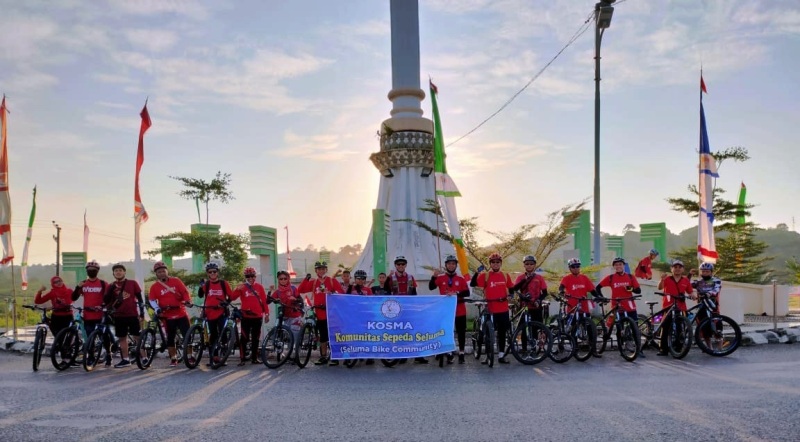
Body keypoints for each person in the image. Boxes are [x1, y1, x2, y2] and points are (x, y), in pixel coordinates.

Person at [470, 252, 514, 364]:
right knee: (488, 334)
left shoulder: (505, 275)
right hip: (490, 308)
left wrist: (511, 295)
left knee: (502, 333)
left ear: (500, 263)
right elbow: (472, 284)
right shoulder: (486, 275)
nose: (495, 264)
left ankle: (501, 355)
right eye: (493, 262)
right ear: (490, 264)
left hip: (503, 308)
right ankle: (487, 356)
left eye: (497, 262)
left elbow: (511, 288)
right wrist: (476, 273)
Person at [298, 261, 343, 366]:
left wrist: (332, 293)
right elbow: (301, 290)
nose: (321, 271)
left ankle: (334, 357)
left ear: (326, 270)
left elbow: (341, 293)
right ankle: (323, 356)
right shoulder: (314, 282)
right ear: (316, 271)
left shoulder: (332, 281)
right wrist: (306, 279)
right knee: (323, 335)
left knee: (332, 335)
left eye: (323, 269)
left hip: (331, 312)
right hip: (319, 313)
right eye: (319, 269)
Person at [148, 261, 192, 367]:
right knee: (170, 337)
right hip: (167, 315)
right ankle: (173, 358)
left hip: (181, 313)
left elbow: (185, 292)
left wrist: (187, 301)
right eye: (159, 272)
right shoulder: (155, 286)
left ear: (167, 271)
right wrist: (157, 308)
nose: (162, 273)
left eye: (163, 271)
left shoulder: (176, 281)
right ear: (156, 274)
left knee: (187, 335)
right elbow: (152, 299)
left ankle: (190, 356)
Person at [596, 257, 642, 356]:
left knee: (635, 328)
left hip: (630, 305)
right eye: (616, 265)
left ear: (623, 265)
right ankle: (621, 348)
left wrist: (630, 288)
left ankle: (638, 349)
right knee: (619, 326)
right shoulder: (611, 278)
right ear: (614, 267)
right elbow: (598, 287)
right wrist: (602, 297)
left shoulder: (630, 277)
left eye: (620, 264)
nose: (618, 266)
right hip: (617, 305)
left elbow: (638, 290)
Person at [384, 256, 426, 364]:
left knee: (412, 331)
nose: (401, 266)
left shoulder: (410, 277)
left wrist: (416, 307)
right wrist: (387, 278)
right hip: (395, 309)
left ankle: (417, 354)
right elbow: (385, 291)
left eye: (403, 264)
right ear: (395, 265)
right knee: (398, 332)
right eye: (398, 264)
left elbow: (414, 292)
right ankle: (401, 354)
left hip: (409, 308)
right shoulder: (391, 278)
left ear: (406, 265)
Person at [429, 255, 470, 364]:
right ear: (446, 265)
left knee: (461, 332)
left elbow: (467, 293)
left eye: (453, 264)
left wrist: (457, 293)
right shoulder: (441, 277)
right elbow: (431, 287)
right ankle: (448, 351)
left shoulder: (460, 279)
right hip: (445, 311)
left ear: (456, 265)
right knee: (447, 331)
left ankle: (461, 352)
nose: (451, 266)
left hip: (460, 310)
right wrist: (434, 276)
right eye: (449, 264)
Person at [103, 263, 145, 368]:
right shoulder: (111, 285)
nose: (118, 272)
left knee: (137, 336)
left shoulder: (132, 283)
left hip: (132, 314)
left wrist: (142, 313)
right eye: (116, 271)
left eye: (120, 270)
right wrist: (111, 289)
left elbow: (140, 299)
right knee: (122, 338)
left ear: (124, 272)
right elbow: (106, 300)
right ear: (113, 273)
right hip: (118, 315)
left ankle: (144, 358)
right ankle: (126, 360)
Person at [557, 258, 601, 357]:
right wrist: (561, 292)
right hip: (572, 307)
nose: (576, 268)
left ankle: (593, 349)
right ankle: (574, 348)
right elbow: (561, 287)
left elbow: (592, 290)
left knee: (590, 328)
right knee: (573, 329)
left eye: (578, 266)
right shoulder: (566, 278)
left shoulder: (584, 278)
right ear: (570, 268)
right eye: (573, 266)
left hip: (584, 306)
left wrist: (598, 296)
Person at [656, 259, 695, 356]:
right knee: (665, 327)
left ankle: (678, 348)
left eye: (679, 267)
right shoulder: (667, 279)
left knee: (680, 328)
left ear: (683, 269)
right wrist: (662, 279)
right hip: (668, 306)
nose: (677, 269)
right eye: (675, 267)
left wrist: (693, 295)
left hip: (681, 307)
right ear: (671, 269)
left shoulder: (685, 280)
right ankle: (663, 349)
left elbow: (690, 291)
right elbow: (659, 287)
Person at [231, 267, 269, 366]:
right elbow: (232, 297)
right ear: (245, 277)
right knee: (244, 338)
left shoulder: (259, 287)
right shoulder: (242, 287)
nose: (250, 278)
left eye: (252, 276)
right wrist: (236, 289)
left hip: (257, 316)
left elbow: (264, 301)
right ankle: (242, 359)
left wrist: (267, 314)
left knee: (256, 338)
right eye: (248, 276)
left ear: (255, 276)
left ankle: (254, 358)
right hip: (246, 317)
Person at [197, 262, 233, 366]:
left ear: (217, 272)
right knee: (213, 335)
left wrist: (225, 303)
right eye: (210, 272)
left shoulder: (223, 283)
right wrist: (201, 286)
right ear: (207, 273)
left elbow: (230, 297)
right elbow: (200, 295)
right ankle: (214, 357)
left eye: (214, 271)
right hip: (209, 312)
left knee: (222, 333)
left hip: (221, 312)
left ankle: (223, 355)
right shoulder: (207, 284)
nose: (212, 273)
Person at [270, 270, 304, 362]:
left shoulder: (293, 288)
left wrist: (295, 299)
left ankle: (295, 355)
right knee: (279, 334)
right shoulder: (278, 291)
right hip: (284, 315)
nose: (283, 280)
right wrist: (270, 292)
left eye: (285, 278)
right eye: (281, 279)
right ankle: (283, 353)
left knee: (294, 336)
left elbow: (301, 301)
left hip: (295, 315)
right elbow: (268, 301)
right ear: (278, 280)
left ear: (288, 279)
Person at [690, 262, 722, 347]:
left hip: (713, 307)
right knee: (704, 329)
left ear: (711, 272)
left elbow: (716, 289)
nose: (704, 273)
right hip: (701, 307)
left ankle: (720, 348)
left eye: (707, 271)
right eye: (703, 271)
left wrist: (709, 293)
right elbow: (686, 285)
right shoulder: (698, 282)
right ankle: (709, 348)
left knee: (718, 328)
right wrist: (689, 275)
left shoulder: (716, 280)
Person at [512, 255, 549, 323]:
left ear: (534, 265)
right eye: (527, 264)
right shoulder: (520, 277)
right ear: (524, 265)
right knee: (524, 331)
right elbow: (515, 289)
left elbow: (545, 292)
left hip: (536, 306)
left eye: (531, 264)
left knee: (536, 329)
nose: (529, 265)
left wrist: (539, 300)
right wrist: (524, 280)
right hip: (524, 307)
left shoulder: (539, 278)